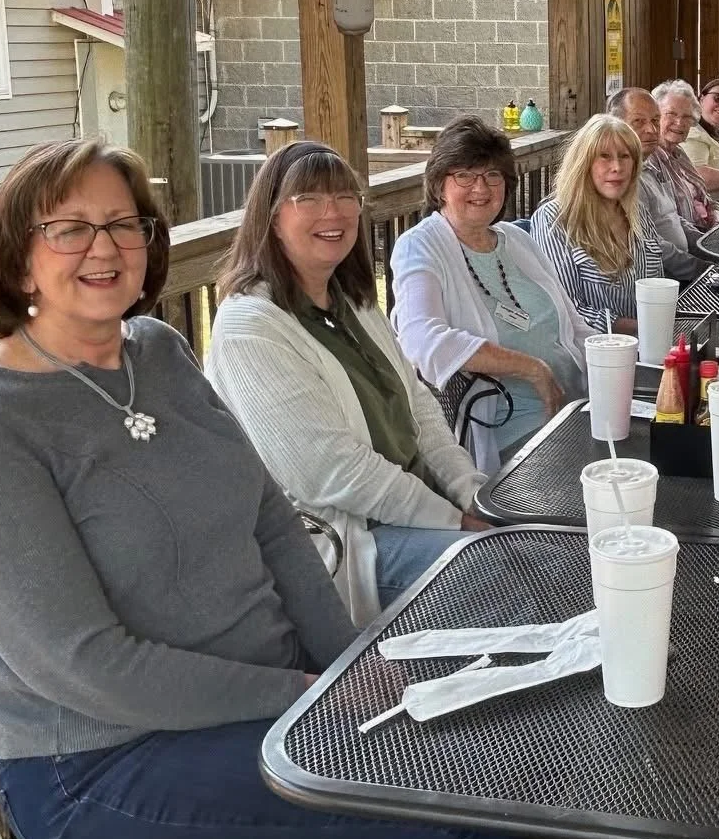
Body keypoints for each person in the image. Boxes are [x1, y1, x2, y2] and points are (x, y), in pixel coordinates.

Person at [0, 139, 518, 839]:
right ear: (17, 257)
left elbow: (268, 519)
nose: (106, 247)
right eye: (72, 227)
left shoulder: (161, 351)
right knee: (463, 826)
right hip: (94, 765)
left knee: (500, 758)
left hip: (265, 704)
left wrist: (348, 668)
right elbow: (86, 664)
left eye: (125, 224)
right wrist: (302, 695)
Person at [208, 141, 483, 624]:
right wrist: (457, 521)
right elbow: (330, 472)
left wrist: (469, 490)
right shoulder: (248, 326)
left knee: (544, 541)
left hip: (421, 508)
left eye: (344, 196)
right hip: (351, 541)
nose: (332, 211)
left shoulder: (352, 301)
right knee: (503, 569)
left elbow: (419, 406)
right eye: (308, 199)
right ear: (271, 219)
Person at [389, 116, 591, 474]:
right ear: (439, 185)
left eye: (492, 175)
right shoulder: (420, 246)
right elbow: (421, 340)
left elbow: (574, 326)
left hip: (578, 411)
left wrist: (623, 366)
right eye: (465, 175)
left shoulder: (517, 240)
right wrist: (533, 369)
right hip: (513, 434)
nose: (480, 188)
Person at [529, 113, 667, 330]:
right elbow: (566, 308)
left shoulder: (637, 212)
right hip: (594, 354)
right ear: (583, 164)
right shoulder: (553, 219)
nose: (617, 167)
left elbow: (658, 287)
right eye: (604, 156)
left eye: (624, 156)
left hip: (649, 344)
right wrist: (640, 328)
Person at [607, 87, 704, 284]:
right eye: (639, 121)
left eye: (654, 120)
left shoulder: (651, 166)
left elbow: (673, 219)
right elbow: (650, 247)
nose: (651, 130)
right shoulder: (619, 181)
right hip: (663, 285)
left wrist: (709, 245)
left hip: (685, 271)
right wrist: (702, 269)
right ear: (616, 125)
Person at [651, 81, 719, 241]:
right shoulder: (650, 160)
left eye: (686, 117)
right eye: (671, 114)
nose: (679, 123)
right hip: (688, 245)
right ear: (655, 117)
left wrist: (718, 222)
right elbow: (669, 221)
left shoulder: (680, 153)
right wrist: (710, 241)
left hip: (710, 232)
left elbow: (707, 199)